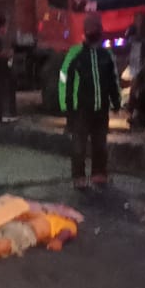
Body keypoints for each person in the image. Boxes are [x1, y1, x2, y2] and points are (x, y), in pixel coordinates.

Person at [59, 12, 122, 189]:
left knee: (99, 143)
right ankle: (78, 176)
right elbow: (68, 82)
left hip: (101, 109)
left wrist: (116, 102)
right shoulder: (78, 56)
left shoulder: (106, 56)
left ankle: (98, 173)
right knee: (79, 145)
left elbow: (112, 80)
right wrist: (69, 109)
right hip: (82, 109)